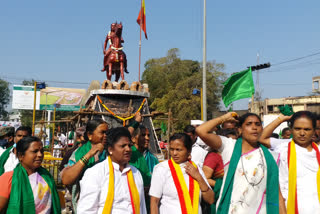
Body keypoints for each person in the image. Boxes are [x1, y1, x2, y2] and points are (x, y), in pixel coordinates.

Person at [196, 112, 286, 214]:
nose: (254, 127)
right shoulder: (230, 146)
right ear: (240, 129)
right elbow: (201, 130)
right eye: (249, 124)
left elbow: (277, 194)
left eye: (258, 124)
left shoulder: (270, 157)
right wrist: (224, 118)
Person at [259, 111, 320, 213]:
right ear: (291, 129)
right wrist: (281, 119)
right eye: (297, 128)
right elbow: (261, 138)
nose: (302, 133)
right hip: (288, 208)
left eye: (307, 129)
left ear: (314, 131)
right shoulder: (283, 147)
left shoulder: (318, 151)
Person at [77, 127, 147, 214]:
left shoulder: (136, 173)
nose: (128, 149)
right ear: (110, 149)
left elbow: (142, 208)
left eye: (129, 145)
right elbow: (86, 210)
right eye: (123, 146)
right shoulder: (96, 173)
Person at [149, 133, 214, 214]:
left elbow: (210, 200)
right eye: (172, 149)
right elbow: (154, 201)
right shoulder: (162, 169)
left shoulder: (196, 169)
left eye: (178, 149)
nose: (174, 153)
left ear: (189, 150)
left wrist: (198, 177)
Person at [0, 136, 61, 213]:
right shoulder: (8, 178)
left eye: (41, 151)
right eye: (35, 151)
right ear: (21, 156)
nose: (40, 155)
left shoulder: (46, 177)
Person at [60, 119, 108, 213]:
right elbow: (66, 179)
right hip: (84, 203)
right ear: (90, 135)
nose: (105, 136)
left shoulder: (110, 152)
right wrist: (89, 154)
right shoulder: (79, 153)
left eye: (107, 132)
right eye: (102, 132)